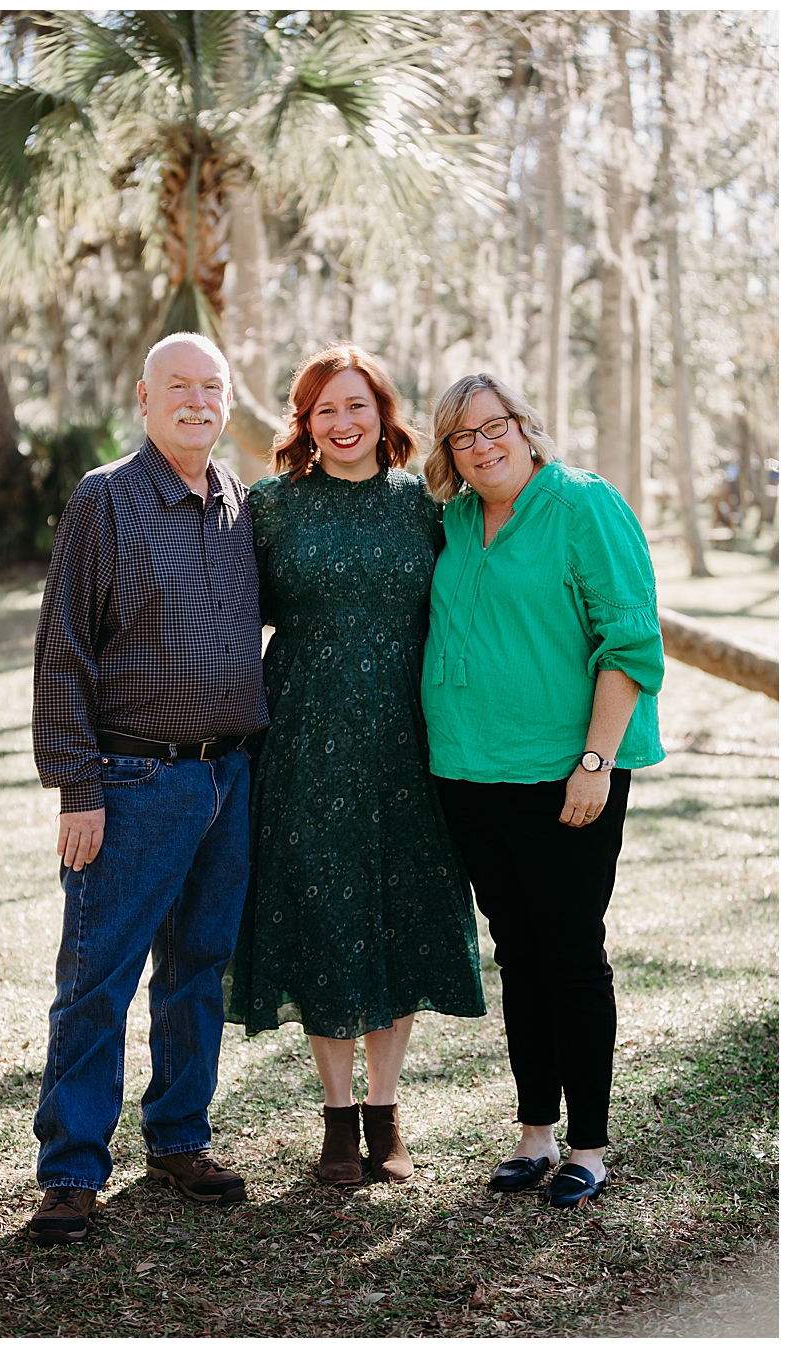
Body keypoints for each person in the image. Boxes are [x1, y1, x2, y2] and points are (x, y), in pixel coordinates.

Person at [26, 332, 267, 1244]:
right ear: (144, 396)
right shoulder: (106, 501)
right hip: (130, 782)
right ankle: (73, 1170)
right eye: (180, 385)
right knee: (98, 980)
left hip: (227, 776)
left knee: (197, 970)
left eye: (212, 386)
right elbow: (63, 652)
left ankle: (178, 1136)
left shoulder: (240, 504)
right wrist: (76, 787)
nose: (198, 400)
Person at [225, 345, 485, 1186]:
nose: (341, 423)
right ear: (304, 423)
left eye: (356, 407)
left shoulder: (427, 507)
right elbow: (234, 620)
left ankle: (387, 1111)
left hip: (411, 742)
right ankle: (338, 1118)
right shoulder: (271, 507)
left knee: (397, 914)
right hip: (302, 737)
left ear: (383, 414)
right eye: (323, 410)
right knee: (324, 916)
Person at [422, 373, 664, 1209]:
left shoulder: (582, 505)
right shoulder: (453, 521)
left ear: (526, 428)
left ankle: (589, 1148)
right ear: (449, 454)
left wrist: (596, 763)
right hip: (468, 774)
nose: (484, 446)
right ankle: (535, 1134)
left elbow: (629, 642)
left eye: (495, 428)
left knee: (569, 955)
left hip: (566, 779)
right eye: (464, 437)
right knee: (516, 954)